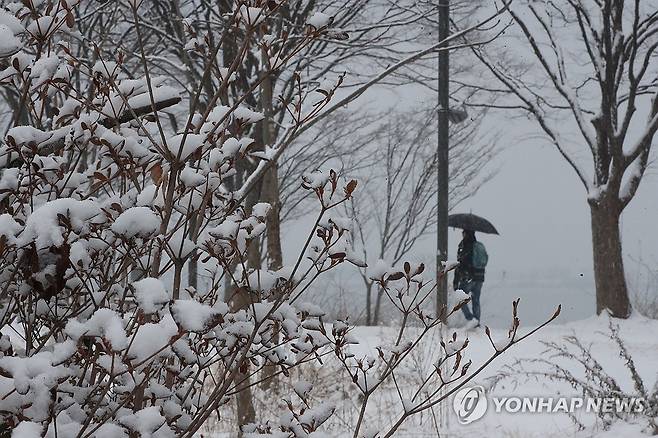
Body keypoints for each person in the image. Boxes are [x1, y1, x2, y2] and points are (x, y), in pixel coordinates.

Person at [453, 230, 488, 328]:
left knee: (461, 299)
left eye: (463, 233)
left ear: (466, 234)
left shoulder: (465, 246)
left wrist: (456, 281)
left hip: (469, 278)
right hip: (479, 278)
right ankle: (476, 321)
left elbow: (460, 264)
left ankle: (471, 319)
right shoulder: (477, 246)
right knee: (476, 300)